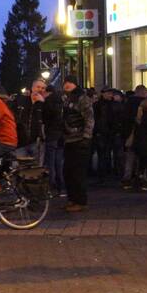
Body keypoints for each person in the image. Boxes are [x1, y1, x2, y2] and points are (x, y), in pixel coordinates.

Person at [61, 75, 94, 212]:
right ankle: (72, 199)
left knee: (77, 172)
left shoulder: (82, 98)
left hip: (79, 140)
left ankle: (80, 201)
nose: (67, 85)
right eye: (65, 82)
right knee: (68, 172)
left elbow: (89, 118)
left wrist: (86, 137)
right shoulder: (67, 98)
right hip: (69, 139)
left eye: (70, 82)